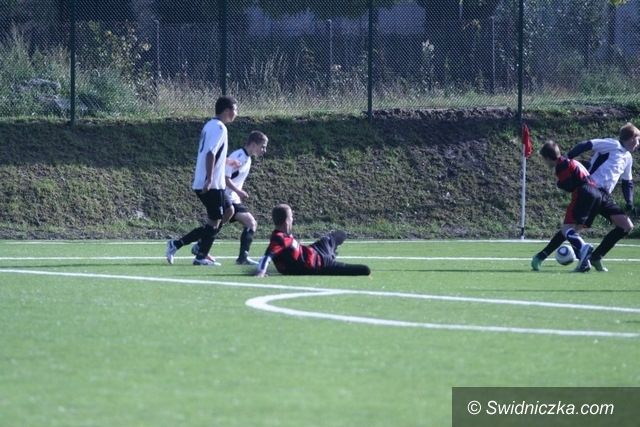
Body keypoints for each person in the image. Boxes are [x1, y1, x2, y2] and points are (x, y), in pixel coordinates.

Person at [532, 123, 638, 272]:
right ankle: (542, 256)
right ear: (631, 138)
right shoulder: (612, 144)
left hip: (603, 196)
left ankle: (595, 257)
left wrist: (629, 202)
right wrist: (567, 159)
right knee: (572, 229)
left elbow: (627, 182)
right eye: (638, 139)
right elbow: (587, 144)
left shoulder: (628, 157)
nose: (638, 144)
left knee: (626, 226)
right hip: (591, 187)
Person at [165, 96, 238, 266]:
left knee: (229, 211)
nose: (236, 113)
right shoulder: (219, 128)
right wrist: (209, 179)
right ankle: (195, 253)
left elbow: (212, 153)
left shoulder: (210, 125)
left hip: (215, 183)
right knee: (215, 219)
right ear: (227, 110)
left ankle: (200, 246)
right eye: (235, 109)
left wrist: (227, 161)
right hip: (211, 183)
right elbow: (210, 153)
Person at [190, 131, 269, 265]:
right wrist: (239, 191)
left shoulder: (247, 158)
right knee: (249, 223)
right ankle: (240, 257)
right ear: (254, 144)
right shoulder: (238, 156)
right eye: (263, 147)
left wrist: (238, 193)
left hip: (233, 198)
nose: (264, 150)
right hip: (226, 197)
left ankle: (201, 245)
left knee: (222, 224)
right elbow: (225, 178)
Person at [536, 141, 601, 273]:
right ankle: (584, 263)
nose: (544, 163)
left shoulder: (561, 166)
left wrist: (559, 184)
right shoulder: (570, 161)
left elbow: (569, 185)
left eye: (544, 160)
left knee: (566, 229)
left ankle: (583, 248)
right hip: (596, 193)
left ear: (548, 158)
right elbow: (586, 166)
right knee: (574, 231)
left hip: (583, 192)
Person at [255, 204, 370, 277]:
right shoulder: (279, 239)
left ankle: (332, 252)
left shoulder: (283, 235)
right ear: (287, 221)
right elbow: (267, 256)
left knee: (339, 235)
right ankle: (332, 254)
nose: (293, 219)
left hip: (316, 250)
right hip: (321, 263)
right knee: (364, 270)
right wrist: (261, 272)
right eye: (291, 217)